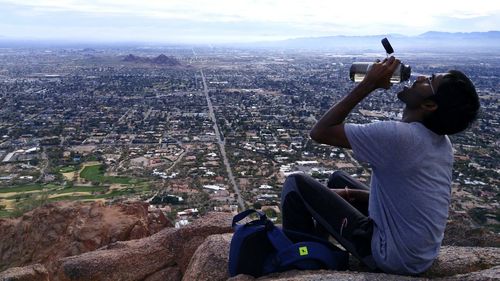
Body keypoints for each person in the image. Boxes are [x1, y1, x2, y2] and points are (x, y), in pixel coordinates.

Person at [280, 56, 480, 275]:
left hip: (392, 257)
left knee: (295, 184)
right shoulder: (441, 142)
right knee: (338, 178)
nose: (421, 77)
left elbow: (320, 132)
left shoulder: (400, 137)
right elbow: (412, 199)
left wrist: (369, 84)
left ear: (430, 105)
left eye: (429, 80)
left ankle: (303, 265)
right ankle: (319, 246)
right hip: (417, 255)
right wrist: (352, 194)